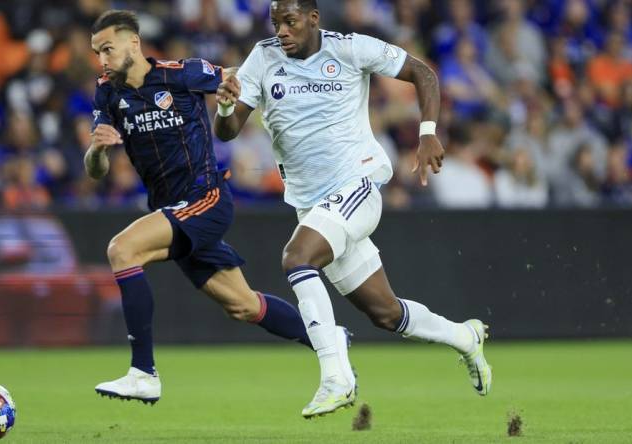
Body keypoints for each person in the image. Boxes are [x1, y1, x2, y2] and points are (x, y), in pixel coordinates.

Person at [214, 0, 492, 419]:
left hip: (356, 185)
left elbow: (423, 72)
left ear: (313, 18)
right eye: (275, 22)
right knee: (386, 312)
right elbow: (229, 130)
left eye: (289, 22)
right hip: (312, 206)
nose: (281, 31)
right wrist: (223, 104)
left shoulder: (349, 49)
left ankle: (336, 377)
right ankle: (465, 337)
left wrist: (428, 132)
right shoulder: (263, 57)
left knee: (296, 257)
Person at [85, 10, 327, 405]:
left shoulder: (180, 74)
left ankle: (143, 372)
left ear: (133, 43)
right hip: (172, 210)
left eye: (108, 49)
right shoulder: (107, 93)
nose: (102, 60)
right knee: (244, 305)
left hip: (205, 199)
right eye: (97, 52)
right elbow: (95, 172)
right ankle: (331, 341)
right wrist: (96, 149)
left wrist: (236, 89)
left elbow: (235, 76)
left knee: (122, 249)